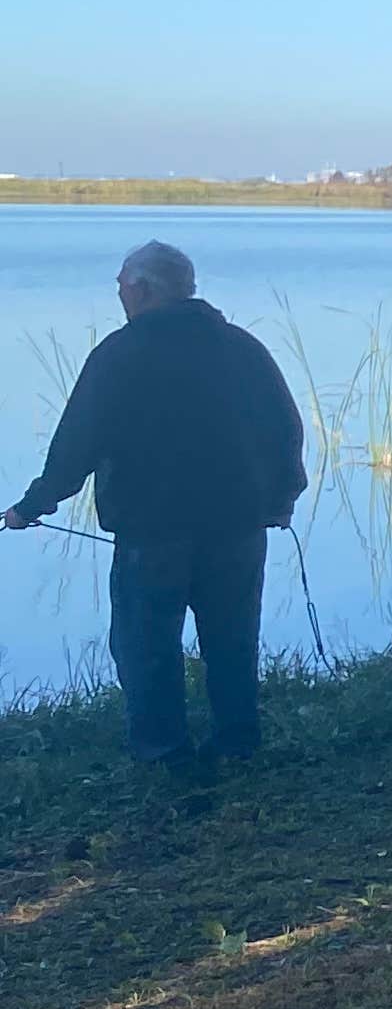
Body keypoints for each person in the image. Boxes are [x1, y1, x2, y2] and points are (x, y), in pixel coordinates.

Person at [4, 240, 307, 763]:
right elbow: (285, 429)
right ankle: (237, 744)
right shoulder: (242, 348)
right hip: (238, 526)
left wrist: (31, 506)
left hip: (152, 532)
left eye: (121, 282)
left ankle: (165, 756)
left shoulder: (120, 354)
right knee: (232, 642)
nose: (118, 291)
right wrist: (282, 498)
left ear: (142, 289)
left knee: (146, 649)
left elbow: (77, 445)